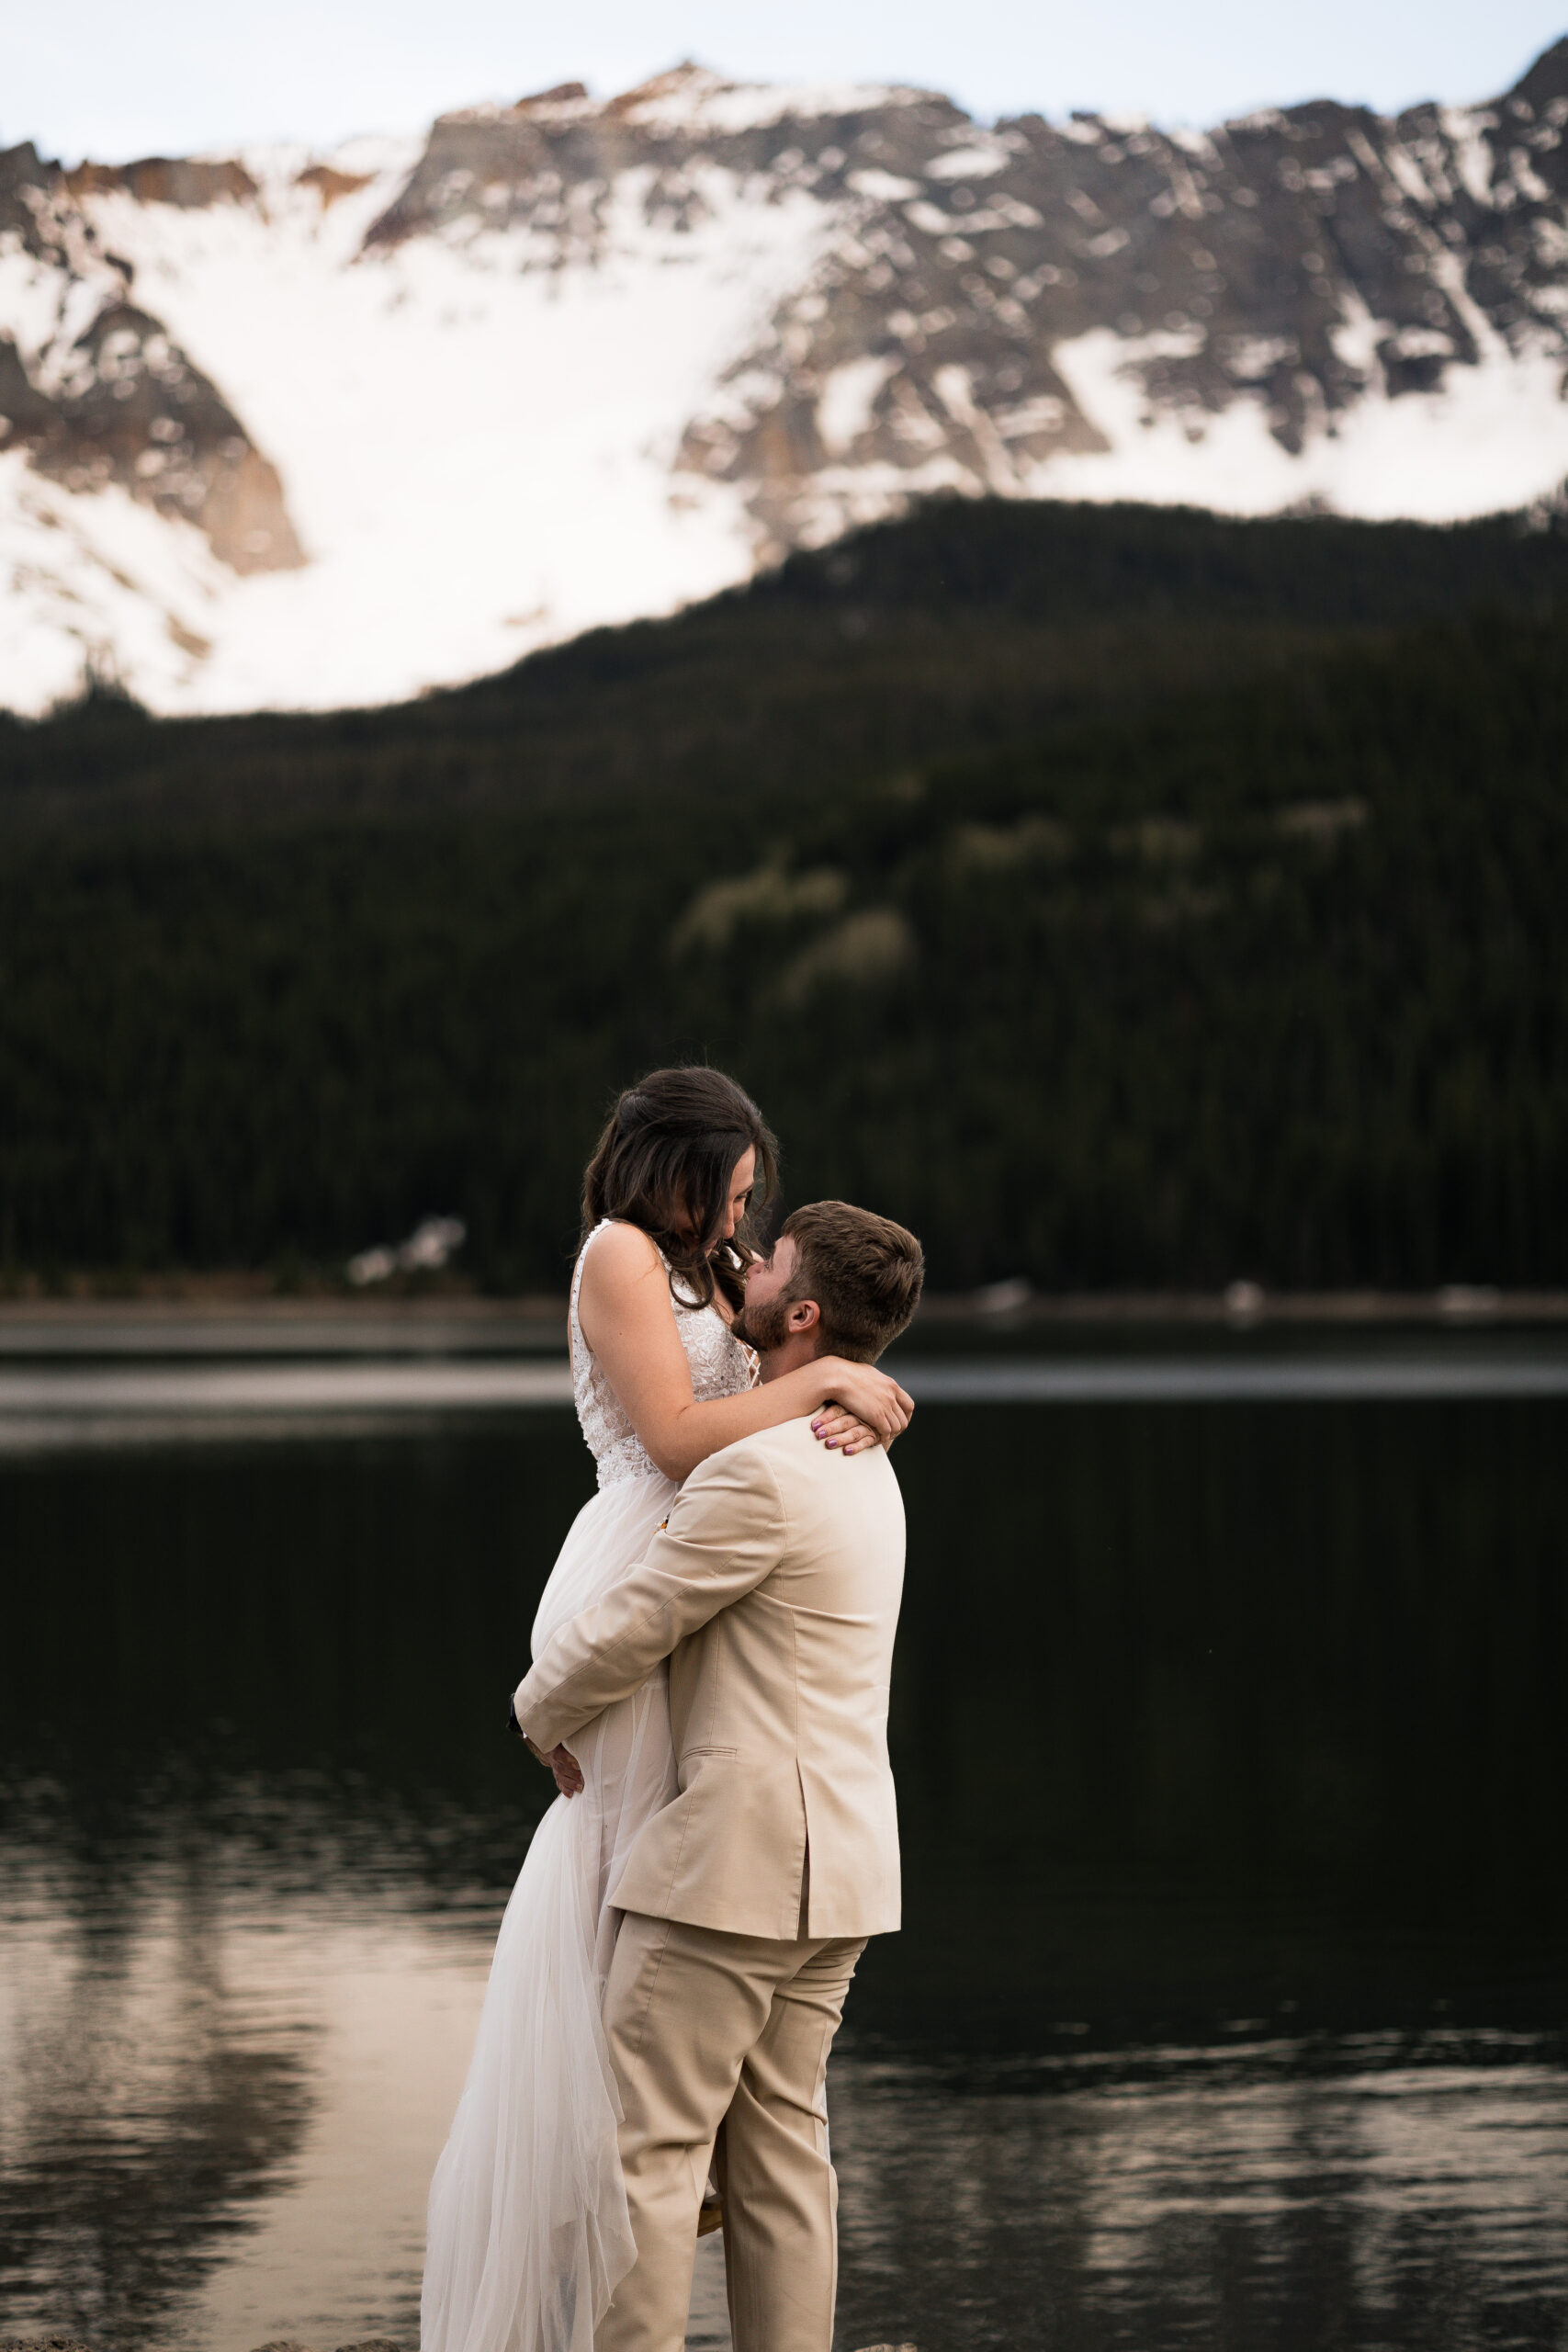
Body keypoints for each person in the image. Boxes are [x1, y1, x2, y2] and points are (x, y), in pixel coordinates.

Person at [420, 1071, 914, 2352]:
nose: (746, 1225)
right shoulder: (835, 1457)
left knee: (649, 2142)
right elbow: (679, 1433)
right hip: (844, 1856)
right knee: (783, 2147)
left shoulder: (766, 1461)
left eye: (761, 1213)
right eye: (738, 1193)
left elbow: (676, 1537)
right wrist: (828, 1384)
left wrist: (538, 1710)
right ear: (678, 1169)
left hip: (728, 1832)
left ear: (797, 1309)